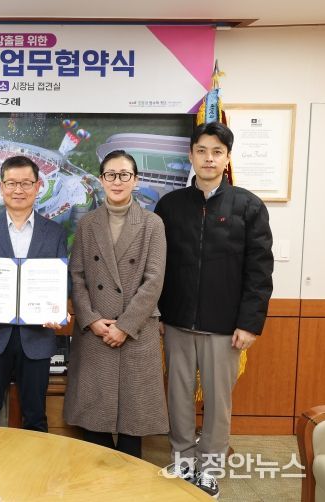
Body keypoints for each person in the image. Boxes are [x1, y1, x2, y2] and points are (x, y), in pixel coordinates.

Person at [155, 122, 274, 498]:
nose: (209, 158)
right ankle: (182, 459)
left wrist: (249, 324)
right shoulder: (170, 206)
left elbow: (259, 270)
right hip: (176, 322)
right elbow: (158, 266)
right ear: (191, 155)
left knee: (218, 403)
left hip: (225, 328)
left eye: (217, 152)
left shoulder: (248, 206)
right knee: (177, 397)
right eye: (202, 151)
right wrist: (159, 314)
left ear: (227, 158)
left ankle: (209, 469)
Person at [63, 150, 168, 457]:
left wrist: (124, 326)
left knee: (132, 423)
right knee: (94, 421)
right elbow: (77, 276)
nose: (117, 181)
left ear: (135, 180)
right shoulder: (87, 224)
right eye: (111, 175)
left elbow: (154, 280)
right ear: (101, 180)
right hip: (95, 331)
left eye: (124, 175)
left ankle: (128, 480)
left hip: (135, 331)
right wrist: (92, 319)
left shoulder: (152, 224)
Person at [0, 155, 68, 432]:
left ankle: (35, 463)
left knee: (35, 418)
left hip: (37, 337)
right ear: (1, 187)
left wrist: (57, 309)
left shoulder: (55, 233)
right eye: (12, 183)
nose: (18, 190)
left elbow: (64, 280)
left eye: (26, 183)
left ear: (38, 187)